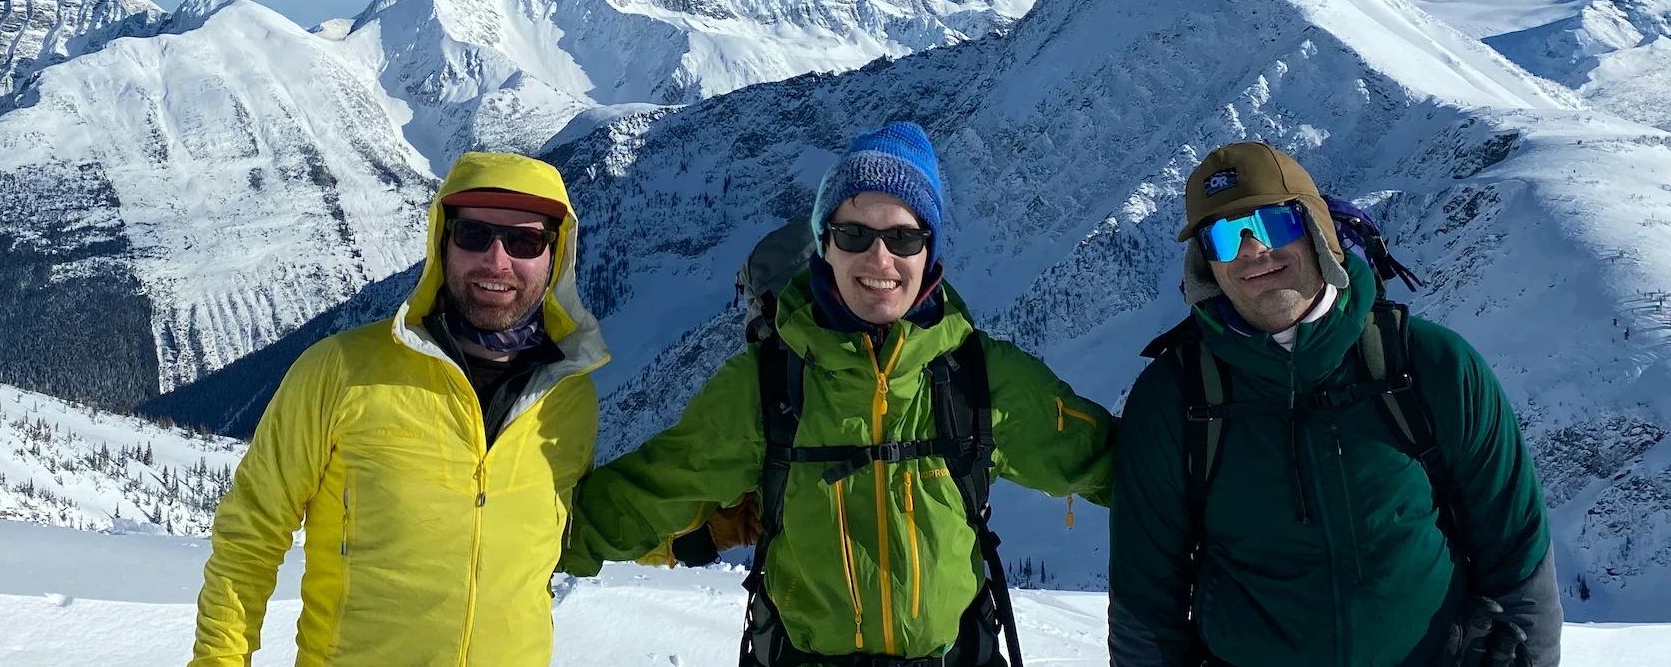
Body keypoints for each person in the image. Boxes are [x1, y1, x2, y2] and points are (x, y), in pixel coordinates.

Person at [561, 121, 1117, 666]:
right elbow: (648, 494)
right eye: (855, 235)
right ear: (825, 243)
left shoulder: (982, 378)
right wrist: (527, 544)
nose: (880, 259)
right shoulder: (767, 383)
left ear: (930, 251)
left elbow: (1122, 466)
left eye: (903, 236)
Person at [1108, 142, 1561, 667]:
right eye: (1226, 235)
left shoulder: (1431, 366)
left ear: (1318, 230)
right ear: (1206, 264)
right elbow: (1145, 601)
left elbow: (1518, 556)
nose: (1253, 250)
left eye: (1274, 224)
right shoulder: (1175, 399)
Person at [189, 151, 608, 667]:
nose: (497, 261)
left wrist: (701, 526)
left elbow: (580, 526)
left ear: (554, 254)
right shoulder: (340, 371)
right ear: (443, 243)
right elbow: (250, 533)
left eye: (524, 240)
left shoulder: (569, 399)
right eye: (474, 235)